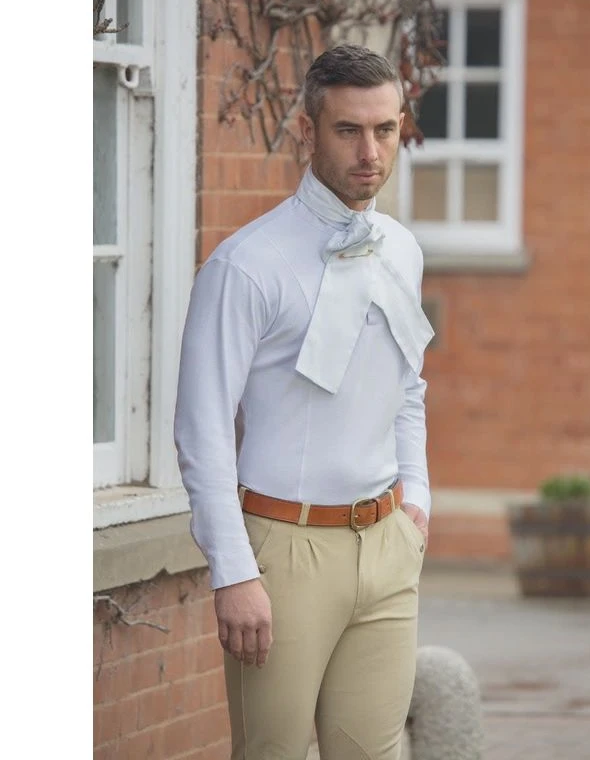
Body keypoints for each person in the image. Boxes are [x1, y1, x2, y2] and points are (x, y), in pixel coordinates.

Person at [174, 43, 435, 760]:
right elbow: (201, 431)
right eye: (348, 130)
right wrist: (233, 570)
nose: (370, 152)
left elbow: (408, 387)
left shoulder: (402, 250)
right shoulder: (245, 266)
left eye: (384, 130)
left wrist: (417, 499)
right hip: (283, 554)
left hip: (387, 545)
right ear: (307, 131)